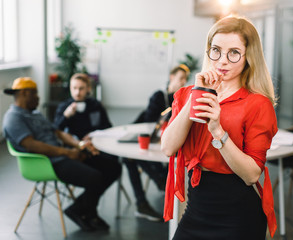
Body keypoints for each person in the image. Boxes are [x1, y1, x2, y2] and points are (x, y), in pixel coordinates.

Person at [161, 16, 278, 239]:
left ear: (248, 57)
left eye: (233, 53)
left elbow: (252, 175)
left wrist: (218, 130)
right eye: (216, 50)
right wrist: (197, 94)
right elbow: (168, 147)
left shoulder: (257, 104)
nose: (222, 60)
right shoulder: (187, 93)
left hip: (238, 216)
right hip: (197, 208)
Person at [2, 77, 122, 232]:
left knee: (113, 167)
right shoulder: (13, 117)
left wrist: (79, 145)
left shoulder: (36, 114)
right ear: (25, 94)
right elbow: (31, 145)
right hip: (47, 162)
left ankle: (78, 209)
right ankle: (90, 213)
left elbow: (58, 132)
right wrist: (67, 152)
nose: (39, 98)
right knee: (95, 177)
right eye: (36, 94)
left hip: (61, 155)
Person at [123, 64, 190, 221]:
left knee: (132, 159)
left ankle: (160, 182)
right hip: (148, 136)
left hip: (163, 140)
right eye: (180, 78)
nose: (182, 82)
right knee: (131, 157)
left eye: (185, 79)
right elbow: (149, 121)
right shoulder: (158, 96)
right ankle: (160, 181)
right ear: (171, 77)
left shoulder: (182, 97)